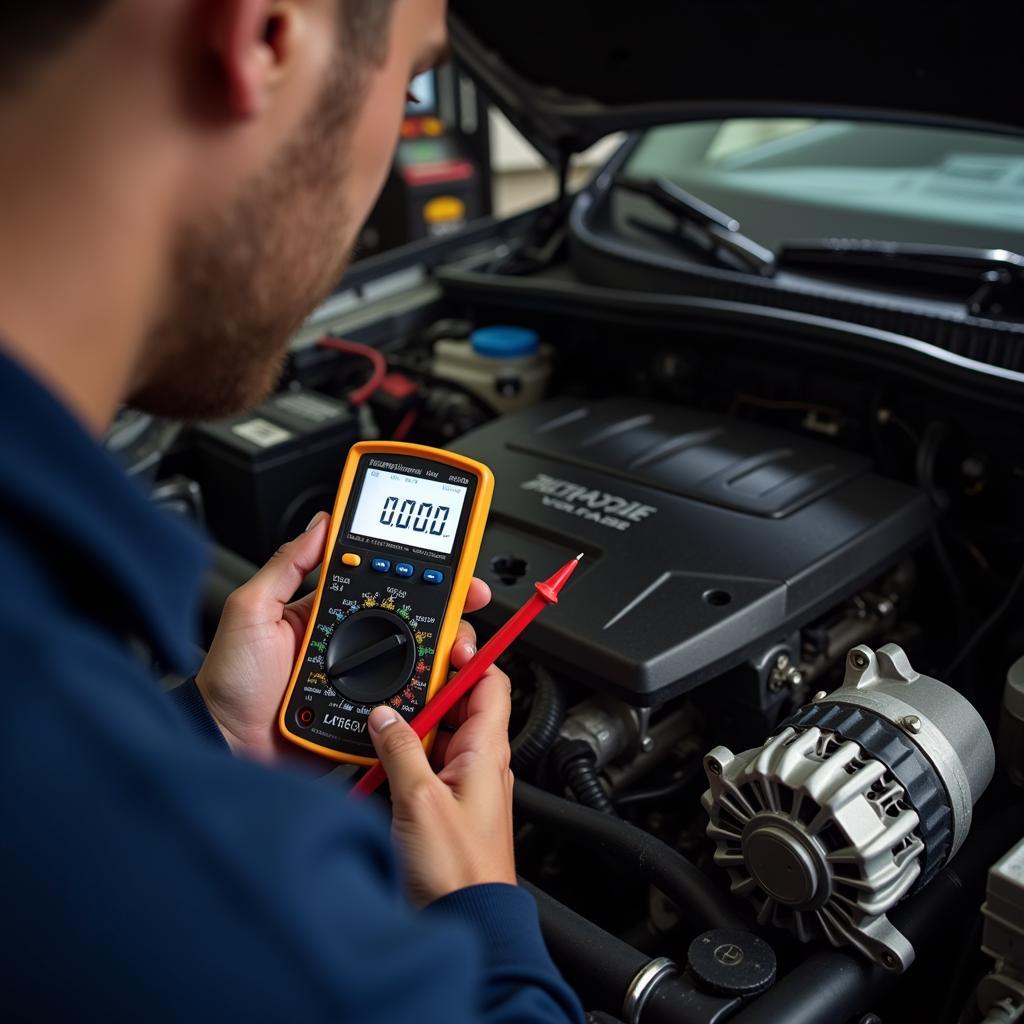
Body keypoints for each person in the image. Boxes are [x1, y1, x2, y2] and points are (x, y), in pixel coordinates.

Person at [0, 2, 583, 1021]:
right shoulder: (254, 942)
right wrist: (483, 917)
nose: (398, 135)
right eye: (407, 87)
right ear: (264, 34)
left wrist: (210, 735)